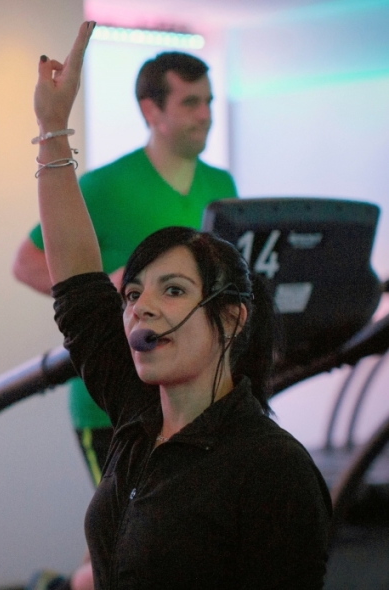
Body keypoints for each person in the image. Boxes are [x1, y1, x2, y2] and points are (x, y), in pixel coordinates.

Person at [31, 22, 331, 588]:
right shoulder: (137, 413)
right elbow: (73, 275)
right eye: (134, 293)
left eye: (173, 290)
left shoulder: (272, 469)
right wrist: (51, 128)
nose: (142, 307)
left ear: (232, 316)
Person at [17, 44, 236, 590]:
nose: (204, 114)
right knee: (133, 546)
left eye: (208, 101)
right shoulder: (105, 186)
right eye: (190, 102)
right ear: (151, 110)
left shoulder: (222, 186)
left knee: (181, 546)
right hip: (116, 403)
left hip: (198, 398)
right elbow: (27, 264)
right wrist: (116, 292)